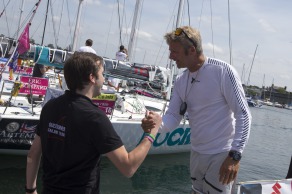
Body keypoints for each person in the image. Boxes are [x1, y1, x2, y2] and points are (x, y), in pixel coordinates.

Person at [25, 52, 161, 194]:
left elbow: (33, 154)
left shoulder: (50, 107)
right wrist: (151, 133)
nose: (104, 79)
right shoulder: (95, 118)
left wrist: (30, 190)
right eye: (102, 74)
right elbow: (128, 167)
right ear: (92, 78)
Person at [142, 26, 252, 194]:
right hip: (196, 154)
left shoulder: (222, 71)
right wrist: (156, 124)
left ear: (192, 50)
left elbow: (243, 115)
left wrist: (235, 156)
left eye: (175, 52)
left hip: (221, 154)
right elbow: (172, 117)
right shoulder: (181, 80)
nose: (171, 57)